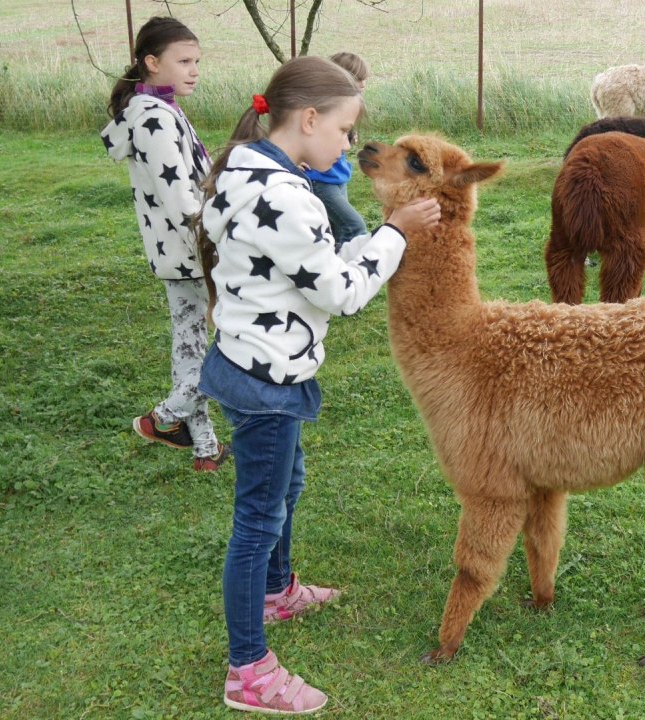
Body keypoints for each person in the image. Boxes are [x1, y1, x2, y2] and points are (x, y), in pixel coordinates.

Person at [196, 56, 440, 714]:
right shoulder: (289, 195)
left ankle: (278, 592)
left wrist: (373, 242)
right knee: (257, 519)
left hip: (247, 359)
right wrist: (392, 234)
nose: (348, 144)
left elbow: (314, 270)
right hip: (267, 380)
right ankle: (248, 669)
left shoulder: (246, 170)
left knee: (288, 484)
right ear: (307, 120)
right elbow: (341, 293)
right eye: (344, 129)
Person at [101, 17, 228, 472]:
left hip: (178, 251)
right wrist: (222, 235)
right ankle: (164, 417)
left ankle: (205, 448)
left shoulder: (155, 108)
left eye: (197, 61)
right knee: (223, 343)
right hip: (192, 250)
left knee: (190, 346)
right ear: (152, 63)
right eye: (184, 61)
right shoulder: (152, 119)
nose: (195, 70)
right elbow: (181, 201)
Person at [302, 52, 371, 249]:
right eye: (359, 79)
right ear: (341, 77)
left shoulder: (345, 106)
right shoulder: (319, 108)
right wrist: (293, 160)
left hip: (338, 176)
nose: (364, 84)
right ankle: (348, 272)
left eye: (365, 79)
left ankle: (332, 269)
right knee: (354, 227)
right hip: (320, 180)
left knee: (334, 229)